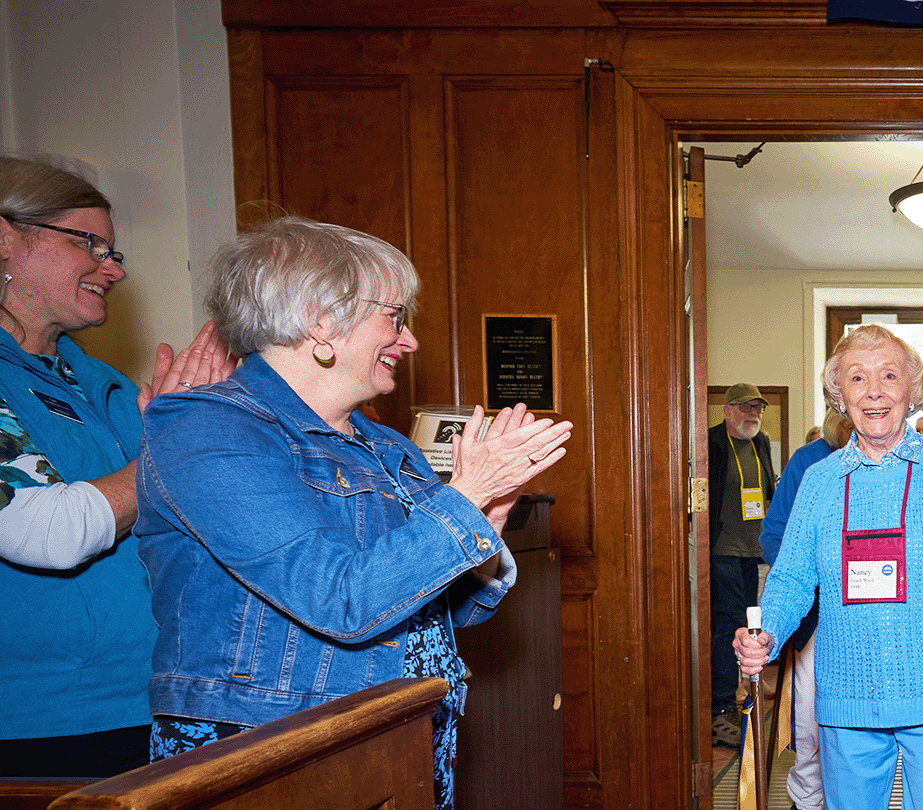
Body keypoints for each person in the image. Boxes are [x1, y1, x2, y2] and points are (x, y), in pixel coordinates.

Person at [134, 216, 572, 810]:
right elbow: (341, 601)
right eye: (393, 316)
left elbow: (449, 611)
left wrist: (487, 519)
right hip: (275, 745)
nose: (409, 339)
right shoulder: (205, 427)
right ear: (320, 320)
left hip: (404, 730)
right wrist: (465, 500)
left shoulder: (389, 446)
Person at [0, 155, 232, 777]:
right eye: (91, 244)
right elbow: (46, 532)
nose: (115, 269)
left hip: (149, 699)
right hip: (37, 722)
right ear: (5, 239)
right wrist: (174, 448)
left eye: (115, 252)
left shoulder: (99, 381)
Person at [735, 325, 923, 810]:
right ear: (839, 395)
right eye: (858, 379)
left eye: (889, 375)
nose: (875, 391)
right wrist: (768, 633)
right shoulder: (819, 481)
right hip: (847, 691)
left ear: (912, 390)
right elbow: (793, 576)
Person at [757, 407, 852, 810]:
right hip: (816, 617)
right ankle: (808, 802)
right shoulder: (810, 463)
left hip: (881, 618)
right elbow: (775, 534)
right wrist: (808, 578)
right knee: (812, 726)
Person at [709, 381, 777, 747]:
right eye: (746, 407)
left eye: (758, 408)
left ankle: (742, 693)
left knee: (749, 625)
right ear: (728, 410)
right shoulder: (712, 444)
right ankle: (720, 710)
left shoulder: (760, 443)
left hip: (754, 551)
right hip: (723, 550)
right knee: (729, 625)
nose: (754, 414)